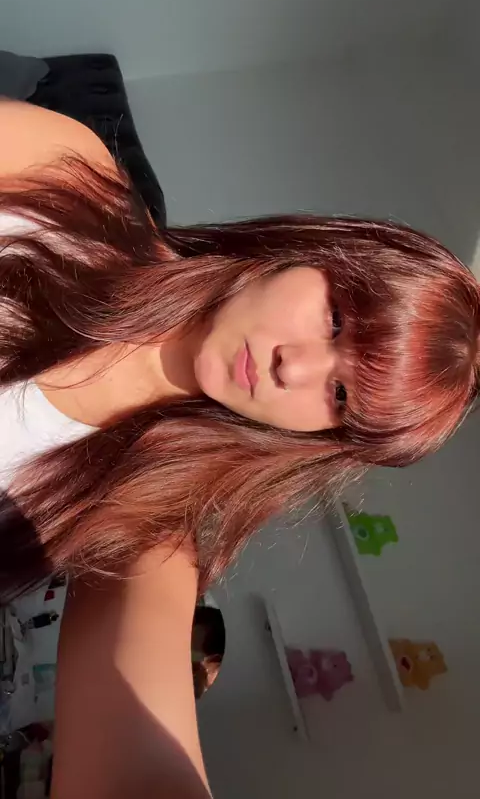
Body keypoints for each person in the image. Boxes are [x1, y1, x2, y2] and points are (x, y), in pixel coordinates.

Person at [0, 100, 478, 796]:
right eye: (335, 320)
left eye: (339, 396)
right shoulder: (70, 180)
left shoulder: (150, 526)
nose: (294, 367)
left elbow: (139, 756)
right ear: (314, 254)